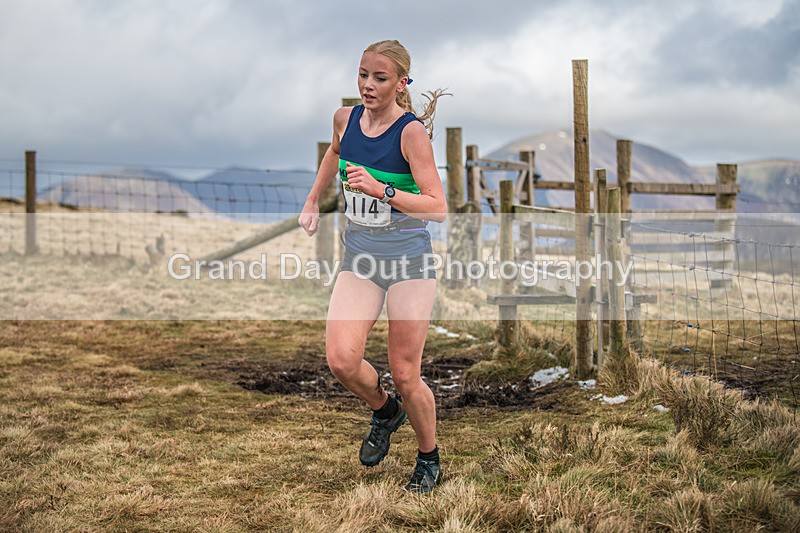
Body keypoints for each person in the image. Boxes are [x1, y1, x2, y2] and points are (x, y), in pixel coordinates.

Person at [298, 40, 449, 494]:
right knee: (342, 359)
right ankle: (386, 411)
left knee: (406, 372)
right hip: (360, 257)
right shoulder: (344, 119)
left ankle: (429, 458)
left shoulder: (410, 134)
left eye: (379, 78)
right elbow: (333, 153)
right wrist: (312, 200)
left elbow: (438, 208)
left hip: (408, 261)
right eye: (363, 74)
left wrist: (383, 190)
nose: (367, 85)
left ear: (401, 83)